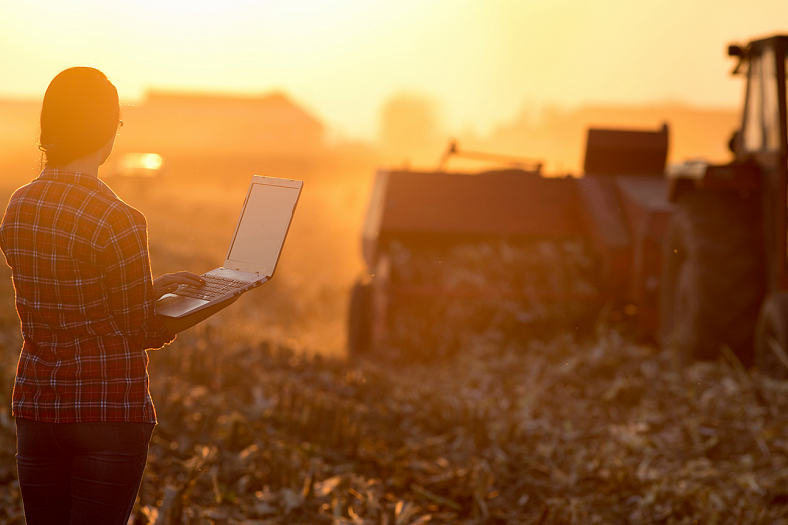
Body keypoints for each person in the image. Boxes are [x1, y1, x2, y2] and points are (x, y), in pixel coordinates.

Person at [0, 67, 235, 524]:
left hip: (37, 408)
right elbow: (140, 329)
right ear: (108, 131)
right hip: (106, 413)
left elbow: (65, 288)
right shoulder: (119, 219)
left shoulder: (18, 206)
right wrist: (220, 297)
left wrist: (148, 290)